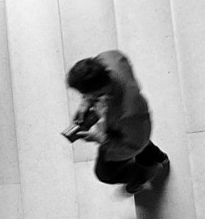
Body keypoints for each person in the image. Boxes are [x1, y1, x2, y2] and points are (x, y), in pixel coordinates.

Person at [65, 51, 171, 195]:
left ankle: (143, 175)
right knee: (141, 142)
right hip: (133, 131)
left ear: (98, 90)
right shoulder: (109, 58)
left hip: (127, 136)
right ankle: (158, 157)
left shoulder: (129, 113)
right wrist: (87, 102)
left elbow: (133, 145)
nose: (84, 97)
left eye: (86, 94)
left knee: (105, 173)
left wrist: (100, 138)